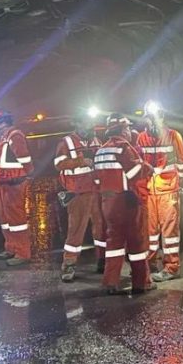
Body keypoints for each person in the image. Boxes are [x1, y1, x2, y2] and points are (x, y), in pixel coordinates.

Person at [93, 113, 155, 295]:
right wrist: (147, 167)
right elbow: (134, 172)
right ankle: (141, 282)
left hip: (107, 202)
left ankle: (110, 282)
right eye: (127, 128)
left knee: (114, 242)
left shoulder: (100, 151)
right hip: (125, 201)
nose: (129, 131)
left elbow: (96, 181)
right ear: (122, 130)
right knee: (136, 242)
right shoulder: (123, 147)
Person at [135, 101, 183, 281]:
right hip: (150, 190)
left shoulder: (174, 136)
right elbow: (139, 164)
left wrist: (176, 182)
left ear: (162, 117)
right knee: (149, 231)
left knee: (169, 231)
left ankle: (172, 268)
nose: (151, 122)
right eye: (149, 119)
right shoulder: (141, 138)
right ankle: (150, 263)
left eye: (154, 118)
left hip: (168, 190)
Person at [55, 110, 104, 282]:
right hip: (78, 192)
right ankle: (69, 264)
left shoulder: (95, 140)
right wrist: (81, 161)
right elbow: (59, 164)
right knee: (75, 230)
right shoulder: (67, 142)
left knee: (101, 227)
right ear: (77, 124)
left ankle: (102, 260)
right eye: (85, 123)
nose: (89, 127)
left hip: (96, 190)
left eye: (90, 123)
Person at [0, 109, 34, 266]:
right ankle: (11, 248)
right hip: (3, 183)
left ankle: (22, 253)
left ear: (1, 123)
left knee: (17, 220)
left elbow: (26, 160)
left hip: (14, 183)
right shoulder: (2, 137)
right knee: (5, 219)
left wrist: (22, 177)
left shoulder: (15, 136)